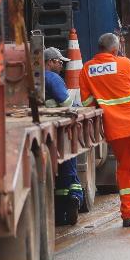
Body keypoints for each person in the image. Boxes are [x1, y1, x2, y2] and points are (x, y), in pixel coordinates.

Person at [79, 33, 130, 229]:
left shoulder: (87, 69)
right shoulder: (123, 63)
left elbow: (86, 102)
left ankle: (128, 215)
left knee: (124, 169)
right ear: (115, 50)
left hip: (114, 128)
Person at [43, 47, 84, 226]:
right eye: (60, 62)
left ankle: (59, 214)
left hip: (46, 127)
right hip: (60, 128)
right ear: (50, 62)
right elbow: (66, 102)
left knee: (60, 178)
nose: (61, 66)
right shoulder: (53, 78)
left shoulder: (32, 78)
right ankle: (75, 197)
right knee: (69, 166)